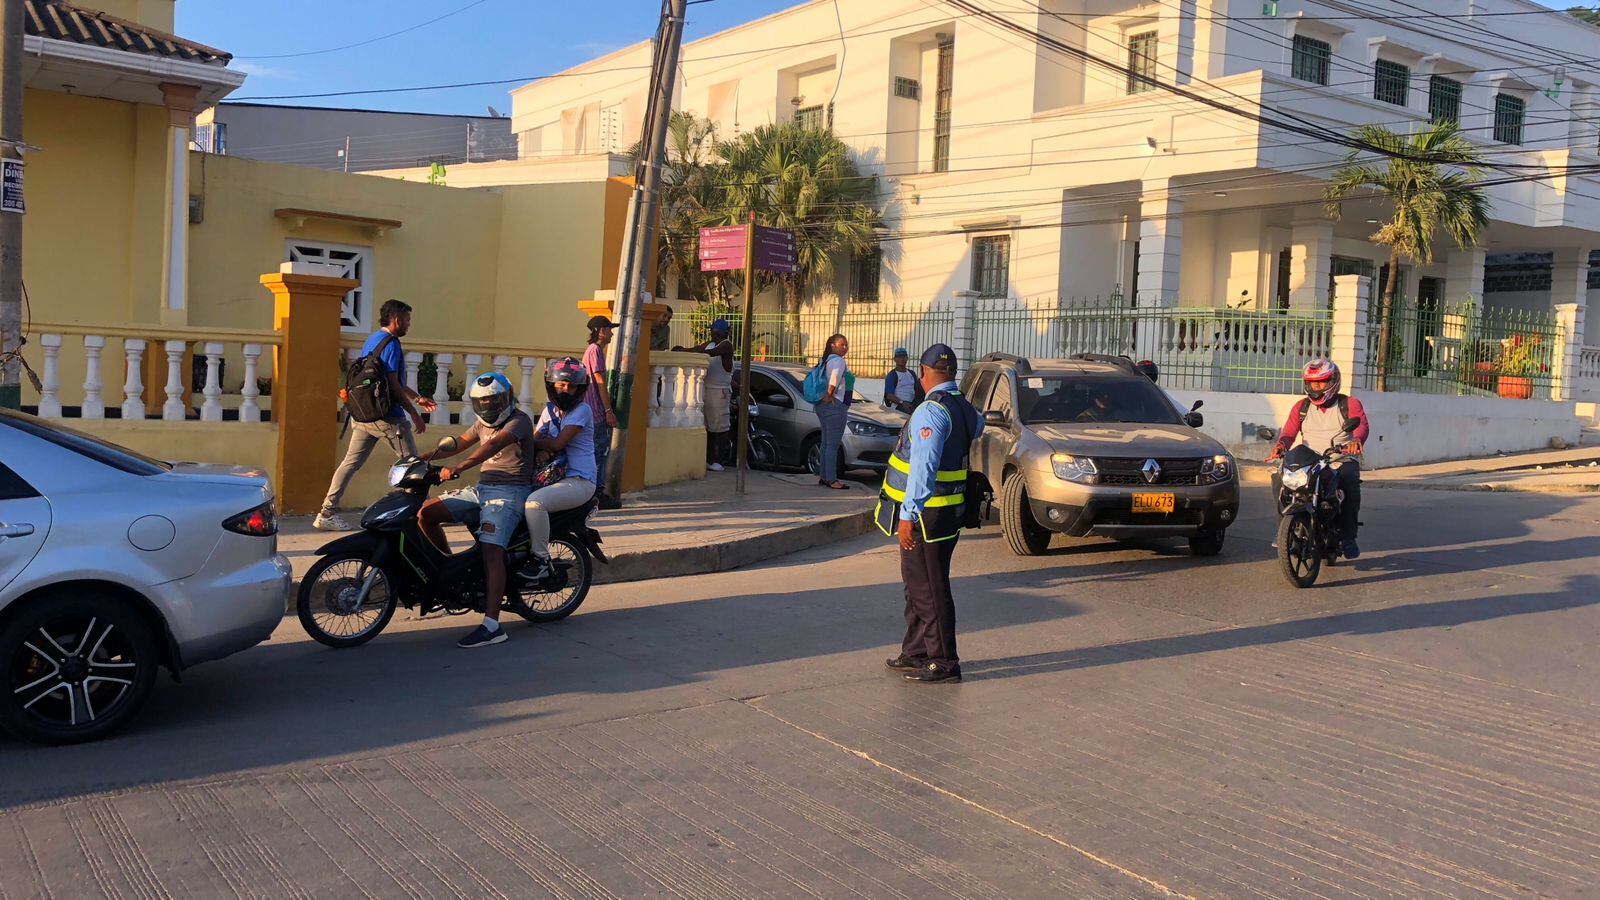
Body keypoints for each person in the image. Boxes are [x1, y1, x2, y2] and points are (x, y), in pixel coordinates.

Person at [876, 344, 982, 684]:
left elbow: (923, 467)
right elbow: (978, 428)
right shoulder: (963, 407)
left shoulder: (930, 411)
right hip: (948, 512)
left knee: (930, 589)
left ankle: (943, 661)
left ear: (922, 373)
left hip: (926, 516)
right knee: (917, 585)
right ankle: (916, 651)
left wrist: (908, 514)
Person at [417, 372, 537, 649]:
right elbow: (459, 443)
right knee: (427, 513)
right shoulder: (482, 423)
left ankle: (492, 626)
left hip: (511, 493)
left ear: (506, 398)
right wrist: (422, 458)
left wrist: (460, 467)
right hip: (483, 489)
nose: (487, 407)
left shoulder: (518, 421)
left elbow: (494, 445)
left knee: (491, 550)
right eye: (482, 402)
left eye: (493, 400)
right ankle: (448, 572)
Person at [315, 299, 437, 531]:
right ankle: (416, 516)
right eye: (407, 320)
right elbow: (392, 384)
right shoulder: (391, 344)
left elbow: (388, 380)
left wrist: (418, 398)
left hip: (363, 415)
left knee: (349, 463)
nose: (409, 325)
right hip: (387, 417)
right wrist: (414, 413)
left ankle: (326, 512)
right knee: (414, 466)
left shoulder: (373, 339)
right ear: (396, 319)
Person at [1269, 358, 1371, 559]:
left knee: (1350, 478)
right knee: (1279, 478)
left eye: (1322, 381)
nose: (1316, 386)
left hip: (1339, 458)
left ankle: (1348, 536)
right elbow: (1289, 432)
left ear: (1333, 380)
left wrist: (1356, 440)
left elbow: (1362, 427)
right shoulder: (1302, 407)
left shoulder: (1349, 404)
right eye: (1312, 382)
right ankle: (1285, 529)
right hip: (1309, 460)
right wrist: (1281, 446)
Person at [522, 357, 599, 582]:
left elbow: (556, 444)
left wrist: (532, 444)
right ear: (551, 385)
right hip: (553, 477)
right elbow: (538, 439)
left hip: (579, 481)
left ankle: (541, 560)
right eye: (561, 385)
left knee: (535, 504)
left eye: (571, 386)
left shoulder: (582, 411)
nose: (565, 390)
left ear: (580, 389)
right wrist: (538, 448)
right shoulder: (549, 411)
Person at [675, 318, 734, 471]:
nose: (711, 333)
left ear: (720, 332)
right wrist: (682, 351)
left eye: (713, 331)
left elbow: (711, 353)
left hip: (720, 391)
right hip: (707, 389)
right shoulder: (709, 344)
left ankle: (719, 461)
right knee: (708, 426)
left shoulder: (726, 345)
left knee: (720, 427)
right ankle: (710, 459)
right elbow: (698, 349)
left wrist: (696, 351)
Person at [582, 315, 621, 508]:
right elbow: (599, 381)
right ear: (601, 331)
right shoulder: (595, 350)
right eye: (609, 329)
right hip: (596, 411)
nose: (612, 333)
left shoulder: (593, 350)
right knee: (599, 453)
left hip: (593, 410)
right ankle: (596, 495)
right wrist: (608, 410)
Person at [816, 333, 853, 490]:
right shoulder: (838, 361)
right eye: (841, 344)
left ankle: (824, 476)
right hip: (835, 405)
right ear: (833, 345)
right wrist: (830, 394)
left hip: (822, 406)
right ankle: (831, 479)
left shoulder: (825, 360)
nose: (845, 348)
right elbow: (834, 379)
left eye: (846, 345)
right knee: (833, 444)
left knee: (826, 442)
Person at [882, 347, 925, 414]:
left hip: (912, 405)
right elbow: (889, 395)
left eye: (904, 356)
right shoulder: (892, 375)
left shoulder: (912, 373)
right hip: (898, 407)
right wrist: (902, 403)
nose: (901, 359)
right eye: (899, 356)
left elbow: (917, 389)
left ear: (907, 358)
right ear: (895, 359)